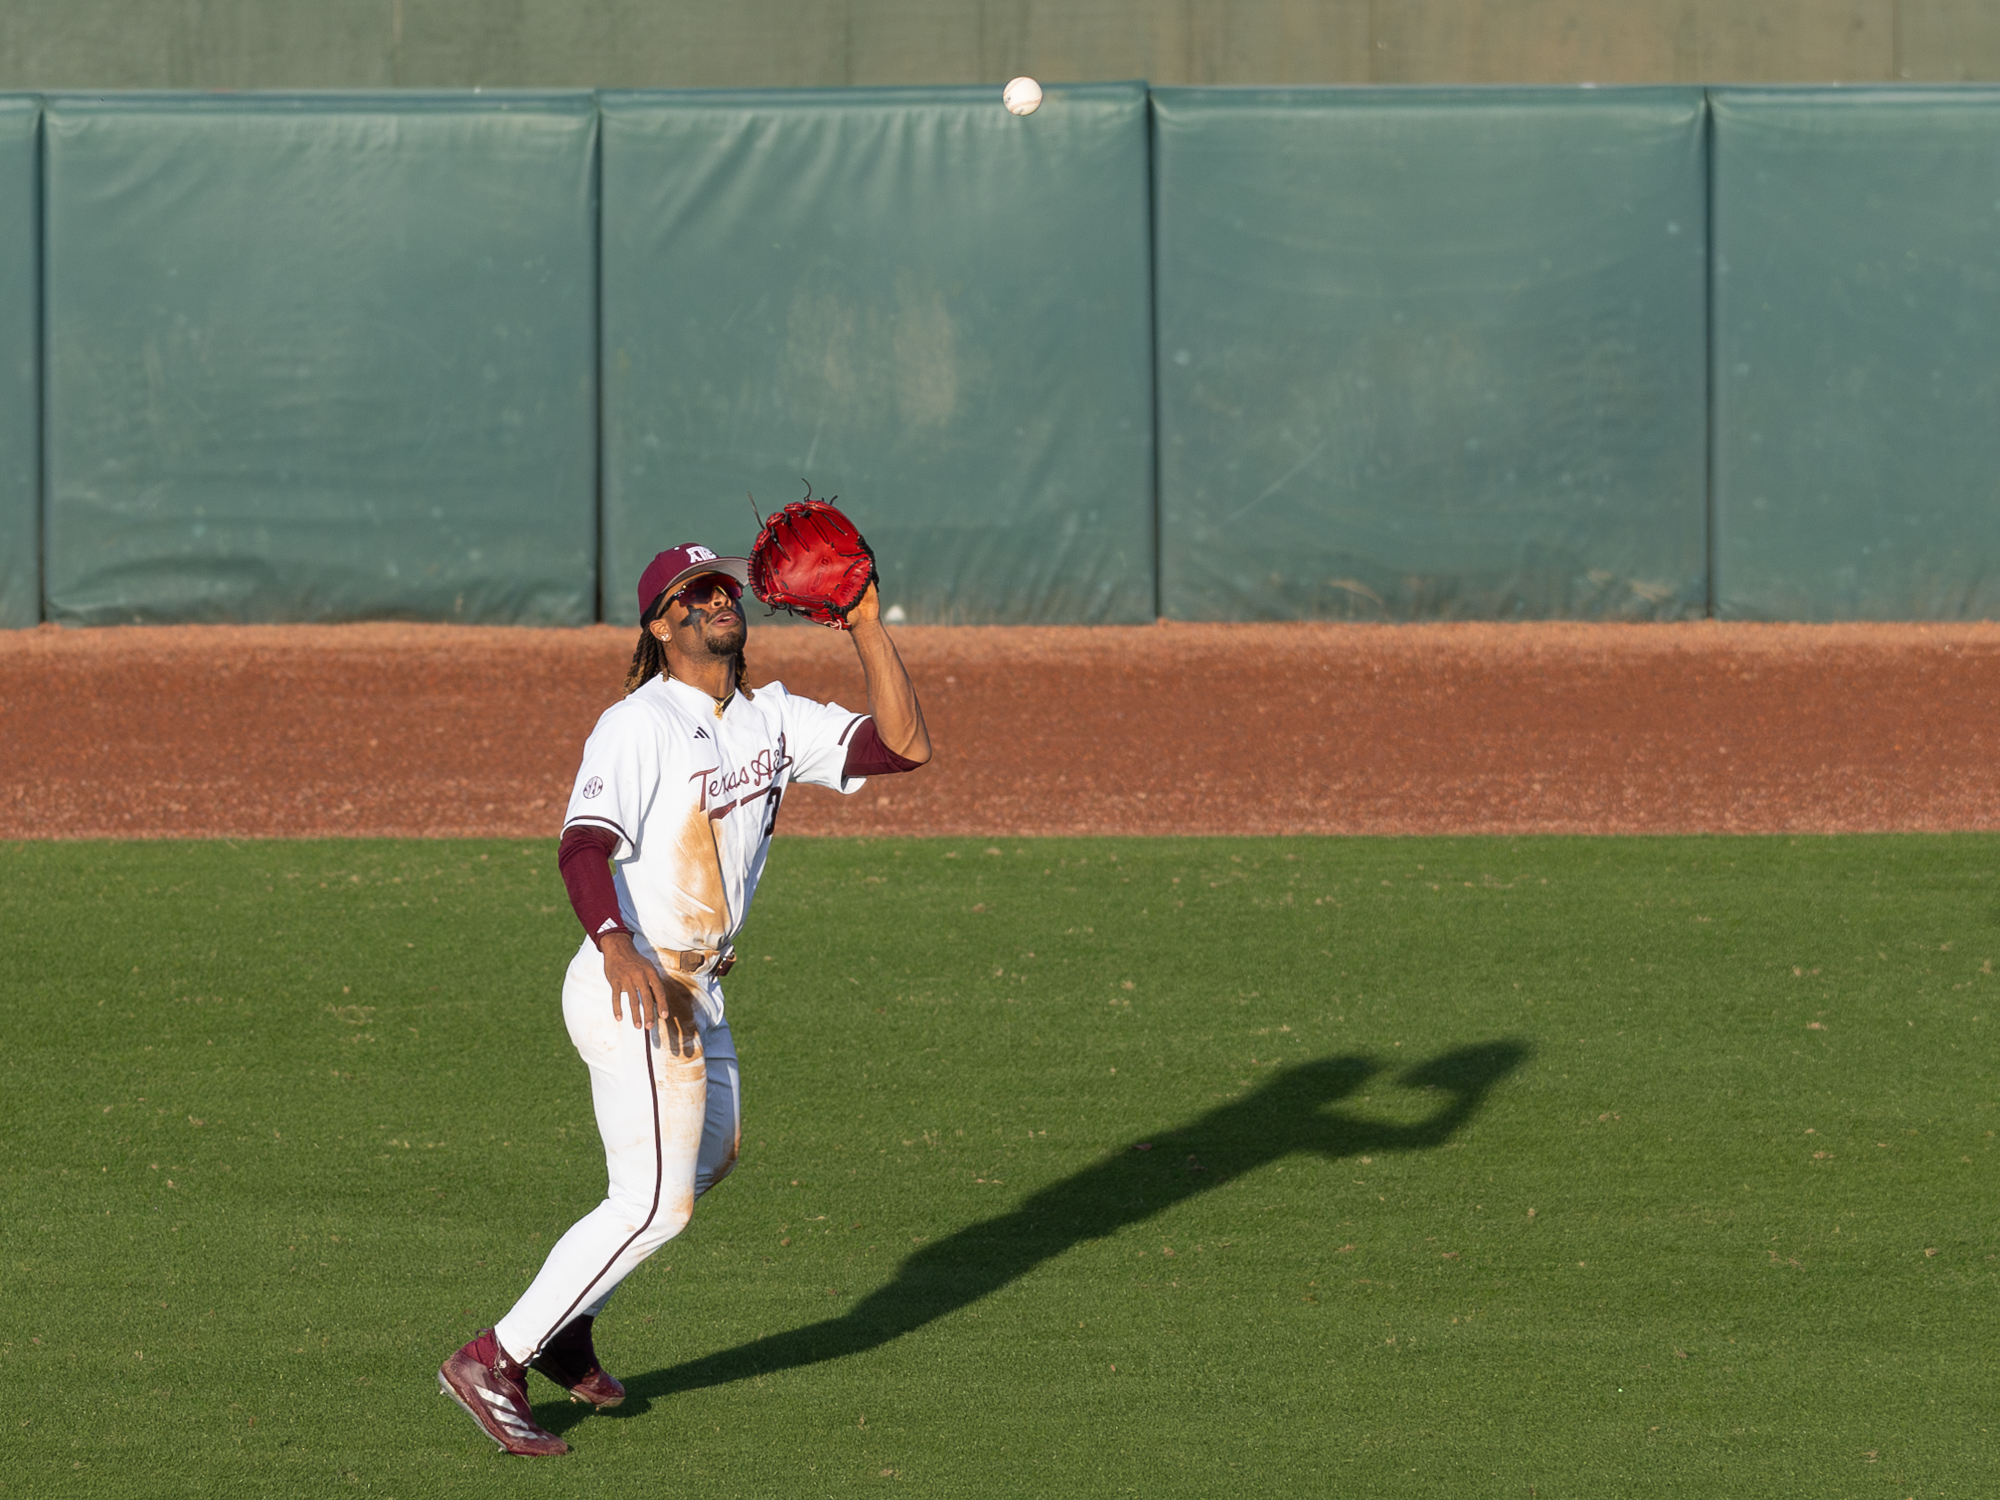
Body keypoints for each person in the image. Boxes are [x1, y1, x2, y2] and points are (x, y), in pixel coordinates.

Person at [438, 540, 931, 1456]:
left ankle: (565, 1326)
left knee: (705, 1159)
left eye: (723, 589)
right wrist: (616, 946)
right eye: (693, 594)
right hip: (634, 985)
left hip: (697, 989)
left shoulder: (774, 717)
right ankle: (495, 1357)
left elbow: (903, 745)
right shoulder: (639, 723)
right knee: (655, 1201)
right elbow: (582, 844)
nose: (716, 601)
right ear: (663, 625)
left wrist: (865, 623)